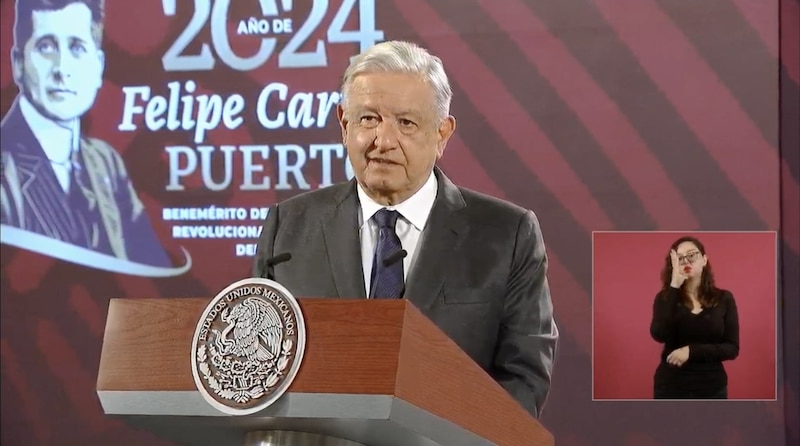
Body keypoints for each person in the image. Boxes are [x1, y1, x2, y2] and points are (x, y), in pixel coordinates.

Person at [252, 40, 559, 418]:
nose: (383, 141)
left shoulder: (507, 235)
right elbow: (257, 369)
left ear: (442, 133)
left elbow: (523, 379)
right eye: (368, 119)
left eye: (406, 123)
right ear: (343, 125)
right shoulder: (288, 227)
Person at [0, 0, 170, 267]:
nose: (61, 69)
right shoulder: (4, 168)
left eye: (77, 48)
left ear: (98, 65)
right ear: (19, 63)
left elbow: (151, 271)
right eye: (46, 47)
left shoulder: (106, 162)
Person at [649, 236, 740, 399]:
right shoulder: (665, 298)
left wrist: (691, 351)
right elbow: (658, 334)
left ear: (704, 260)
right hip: (670, 386)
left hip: (712, 387)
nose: (686, 261)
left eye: (692, 255)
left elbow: (732, 349)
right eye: (680, 258)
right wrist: (674, 287)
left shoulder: (724, 298)